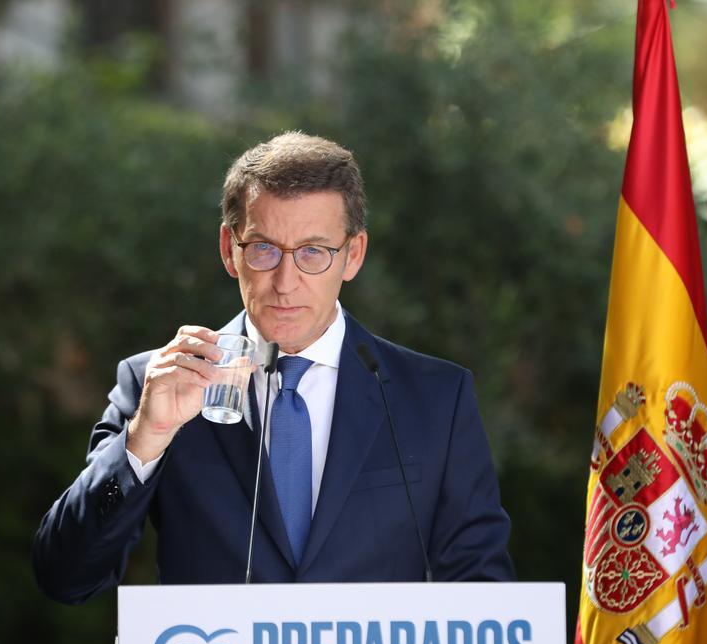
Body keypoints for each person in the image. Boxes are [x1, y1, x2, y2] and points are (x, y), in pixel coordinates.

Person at [33, 132, 514, 603]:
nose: (286, 282)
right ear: (229, 249)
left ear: (354, 255)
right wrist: (145, 439)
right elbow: (65, 575)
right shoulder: (154, 384)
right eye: (263, 249)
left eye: (313, 252)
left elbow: (482, 593)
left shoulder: (435, 398)